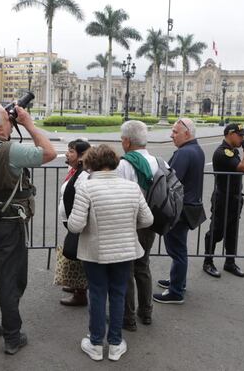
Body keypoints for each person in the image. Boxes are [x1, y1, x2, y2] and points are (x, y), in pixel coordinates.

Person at [0, 101, 56, 355]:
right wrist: (28, 123)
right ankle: (12, 336)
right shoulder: (10, 150)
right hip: (10, 224)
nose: (11, 122)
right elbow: (50, 152)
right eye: (7, 121)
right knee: (11, 279)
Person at [68, 145, 154, 362]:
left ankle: (96, 342)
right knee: (118, 293)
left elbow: (75, 226)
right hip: (125, 250)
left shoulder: (87, 188)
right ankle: (115, 343)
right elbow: (147, 220)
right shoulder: (132, 187)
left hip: (95, 251)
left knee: (97, 293)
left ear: (91, 163)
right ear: (114, 162)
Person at [153, 118, 205, 304]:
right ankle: (177, 281)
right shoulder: (196, 149)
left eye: (175, 132)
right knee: (179, 248)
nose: (171, 135)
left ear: (187, 133)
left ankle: (176, 291)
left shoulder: (184, 153)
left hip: (180, 209)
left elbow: (171, 181)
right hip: (189, 206)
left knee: (177, 250)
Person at [117, 120, 160, 329]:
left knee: (126, 270)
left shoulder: (124, 164)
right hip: (149, 222)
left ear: (126, 141)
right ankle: (147, 312)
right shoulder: (158, 161)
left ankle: (128, 317)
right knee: (143, 267)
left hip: (128, 223)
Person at [203, 123, 244, 278]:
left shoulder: (232, 151)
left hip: (235, 199)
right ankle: (208, 261)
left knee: (232, 232)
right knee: (216, 231)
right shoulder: (223, 152)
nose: (242, 139)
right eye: (240, 135)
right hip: (223, 198)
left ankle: (230, 262)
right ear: (230, 134)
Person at [55, 139, 91, 307]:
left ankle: (81, 292)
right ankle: (77, 286)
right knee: (76, 254)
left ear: (82, 156)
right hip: (71, 220)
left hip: (77, 222)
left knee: (78, 254)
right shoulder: (75, 170)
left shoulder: (84, 175)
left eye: (71, 151)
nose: (67, 154)